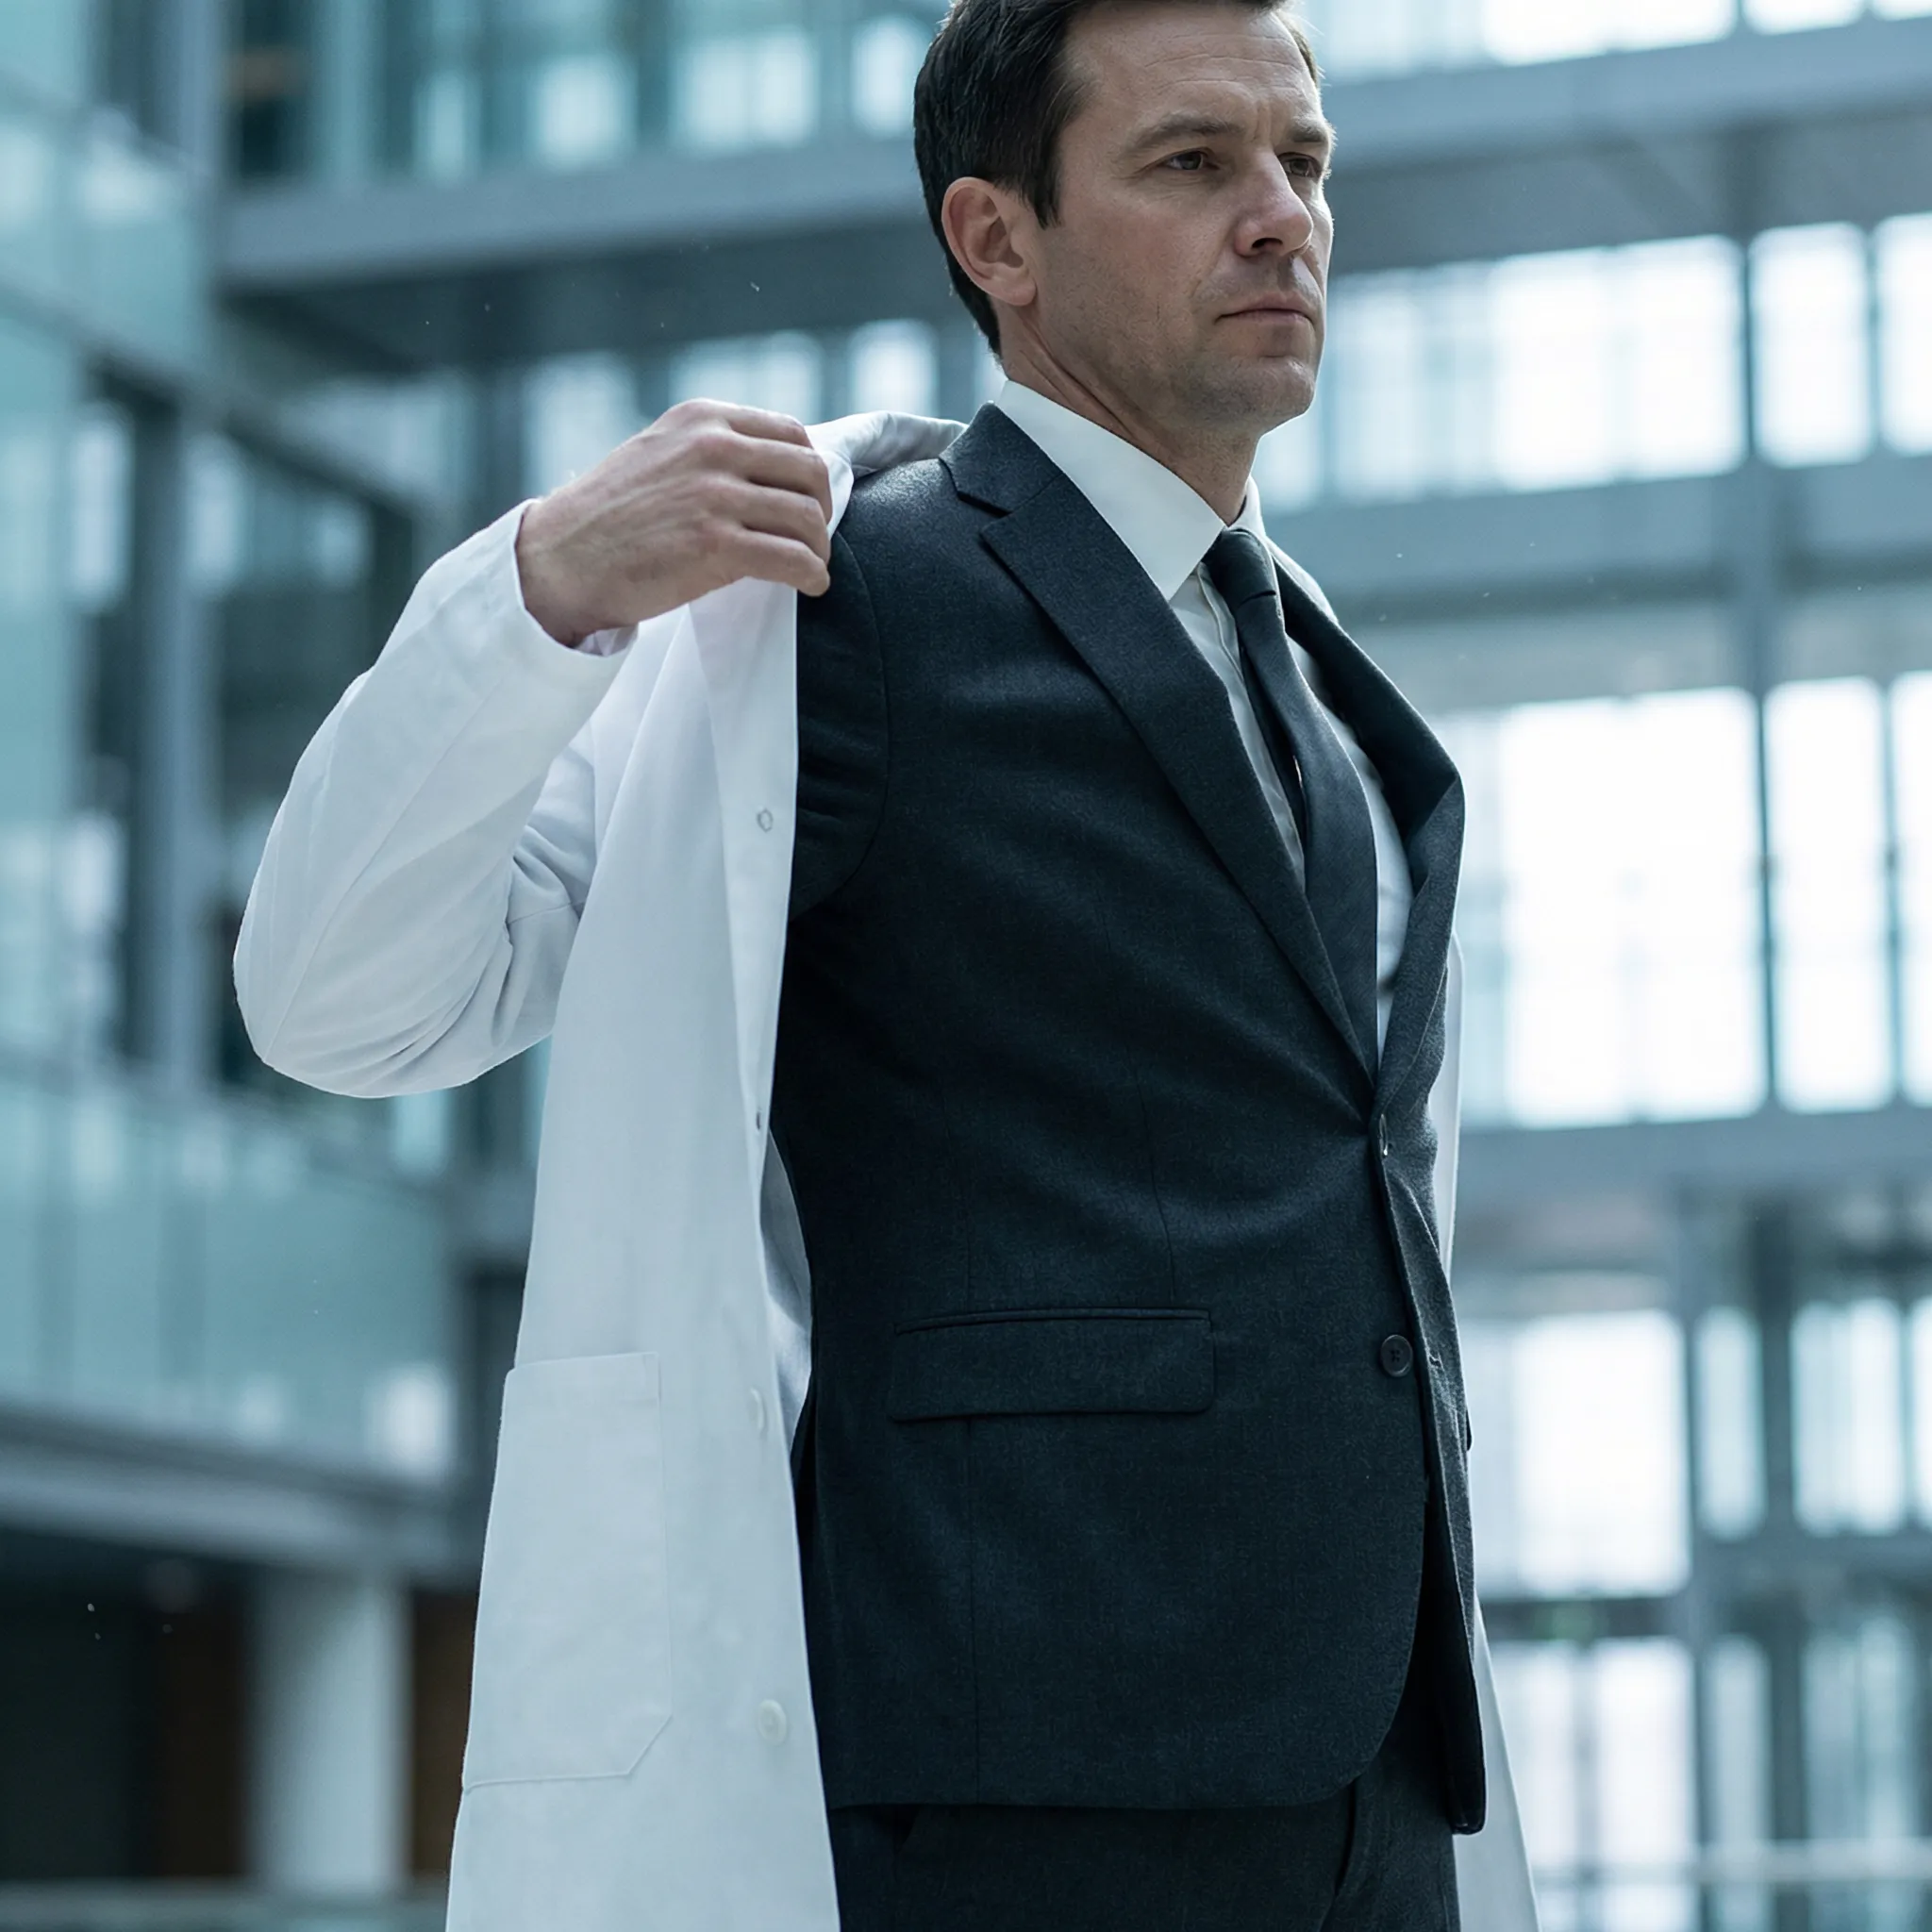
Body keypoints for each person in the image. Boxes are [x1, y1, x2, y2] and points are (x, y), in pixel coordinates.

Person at [238, 3, 1538, 1928]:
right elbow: (338, 998)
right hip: (1024, 1782)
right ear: (996, 238)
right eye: (1193, 163)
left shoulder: (1326, 676)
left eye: (1303, 161)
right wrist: (541, 592)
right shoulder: (836, 607)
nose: (1281, 216)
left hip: (1388, 1788)